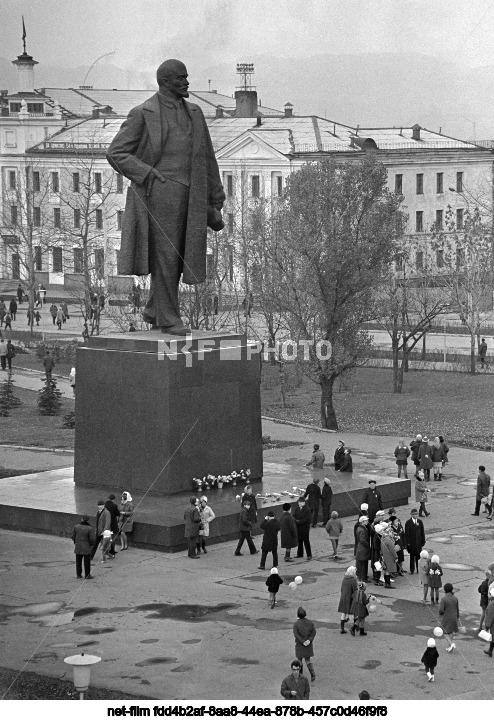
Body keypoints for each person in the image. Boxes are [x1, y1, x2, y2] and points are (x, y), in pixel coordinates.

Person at [106, 59, 225, 335]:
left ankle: (154, 308)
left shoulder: (194, 113)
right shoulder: (143, 113)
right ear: (164, 82)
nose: (186, 82)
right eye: (181, 78)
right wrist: (146, 174)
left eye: (186, 77)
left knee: (180, 254)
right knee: (167, 255)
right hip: (159, 195)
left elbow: (207, 156)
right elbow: (116, 152)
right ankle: (169, 316)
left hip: (191, 195)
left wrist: (216, 199)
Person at [293, 607, 316, 682]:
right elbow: (314, 632)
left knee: (299, 660)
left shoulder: (296, 624)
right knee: (307, 660)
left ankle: (301, 675)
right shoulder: (310, 622)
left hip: (300, 645)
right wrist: (309, 640)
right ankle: (312, 673)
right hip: (308, 644)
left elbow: (296, 635)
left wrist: (302, 641)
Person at [439, 583, 461, 652]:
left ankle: (451, 644)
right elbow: (457, 609)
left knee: (444, 632)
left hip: (447, 617)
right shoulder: (455, 598)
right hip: (454, 617)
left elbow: (441, 610)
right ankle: (450, 647)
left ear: (445, 590)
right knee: (451, 632)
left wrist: (440, 613)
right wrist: (457, 617)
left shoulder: (444, 599)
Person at [71, 515, 95, 579]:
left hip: (78, 546)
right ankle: (87, 575)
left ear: (82, 519)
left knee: (78, 561)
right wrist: (91, 544)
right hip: (86, 547)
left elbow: (73, 536)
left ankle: (78, 575)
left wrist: (76, 542)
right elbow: (92, 539)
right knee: (87, 562)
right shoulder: (90, 528)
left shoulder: (76, 527)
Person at [404, 508, 426, 574]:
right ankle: (412, 569)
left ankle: (418, 569)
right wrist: (408, 543)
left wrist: (423, 541)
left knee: (418, 557)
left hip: (418, 543)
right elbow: (407, 534)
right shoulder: (408, 523)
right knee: (412, 557)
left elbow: (422, 532)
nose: (415, 515)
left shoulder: (420, 522)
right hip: (412, 543)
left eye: (416, 514)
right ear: (411, 515)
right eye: (413, 514)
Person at [338, 566, 358, 633]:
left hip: (344, 597)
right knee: (355, 612)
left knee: (344, 612)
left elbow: (341, 588)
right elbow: (355, 590)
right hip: (351, 598)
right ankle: (355, 627)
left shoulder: (344, 579)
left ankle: (342, 628)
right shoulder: (353, 580)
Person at [380, 524, 398, 589]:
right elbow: (392, 550)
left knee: (386, 571)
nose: (392, 534)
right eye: (391, 532)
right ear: (389, 532)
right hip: (389, 557)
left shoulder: (383, 538)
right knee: (388, 571)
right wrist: (396, 557)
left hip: (384, 556)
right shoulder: (389, 540)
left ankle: (387, 584)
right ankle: (388, 584)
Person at [355, 516, 371, 581]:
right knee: (363, 563)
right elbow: (362, 540)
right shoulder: (362, 529)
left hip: (361, 548)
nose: (367, 522)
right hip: (363, 549)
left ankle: (361, 576)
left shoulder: (360, 528)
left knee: (362, 563)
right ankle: (363, 577)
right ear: (363, 522)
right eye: (366, 521)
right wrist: (367, 544)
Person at [483, 587, 494, 657]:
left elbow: (490, 615)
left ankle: (490, 651)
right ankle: (490, 650)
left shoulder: (492, 604)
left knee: (493, 638)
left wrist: (487, 626)